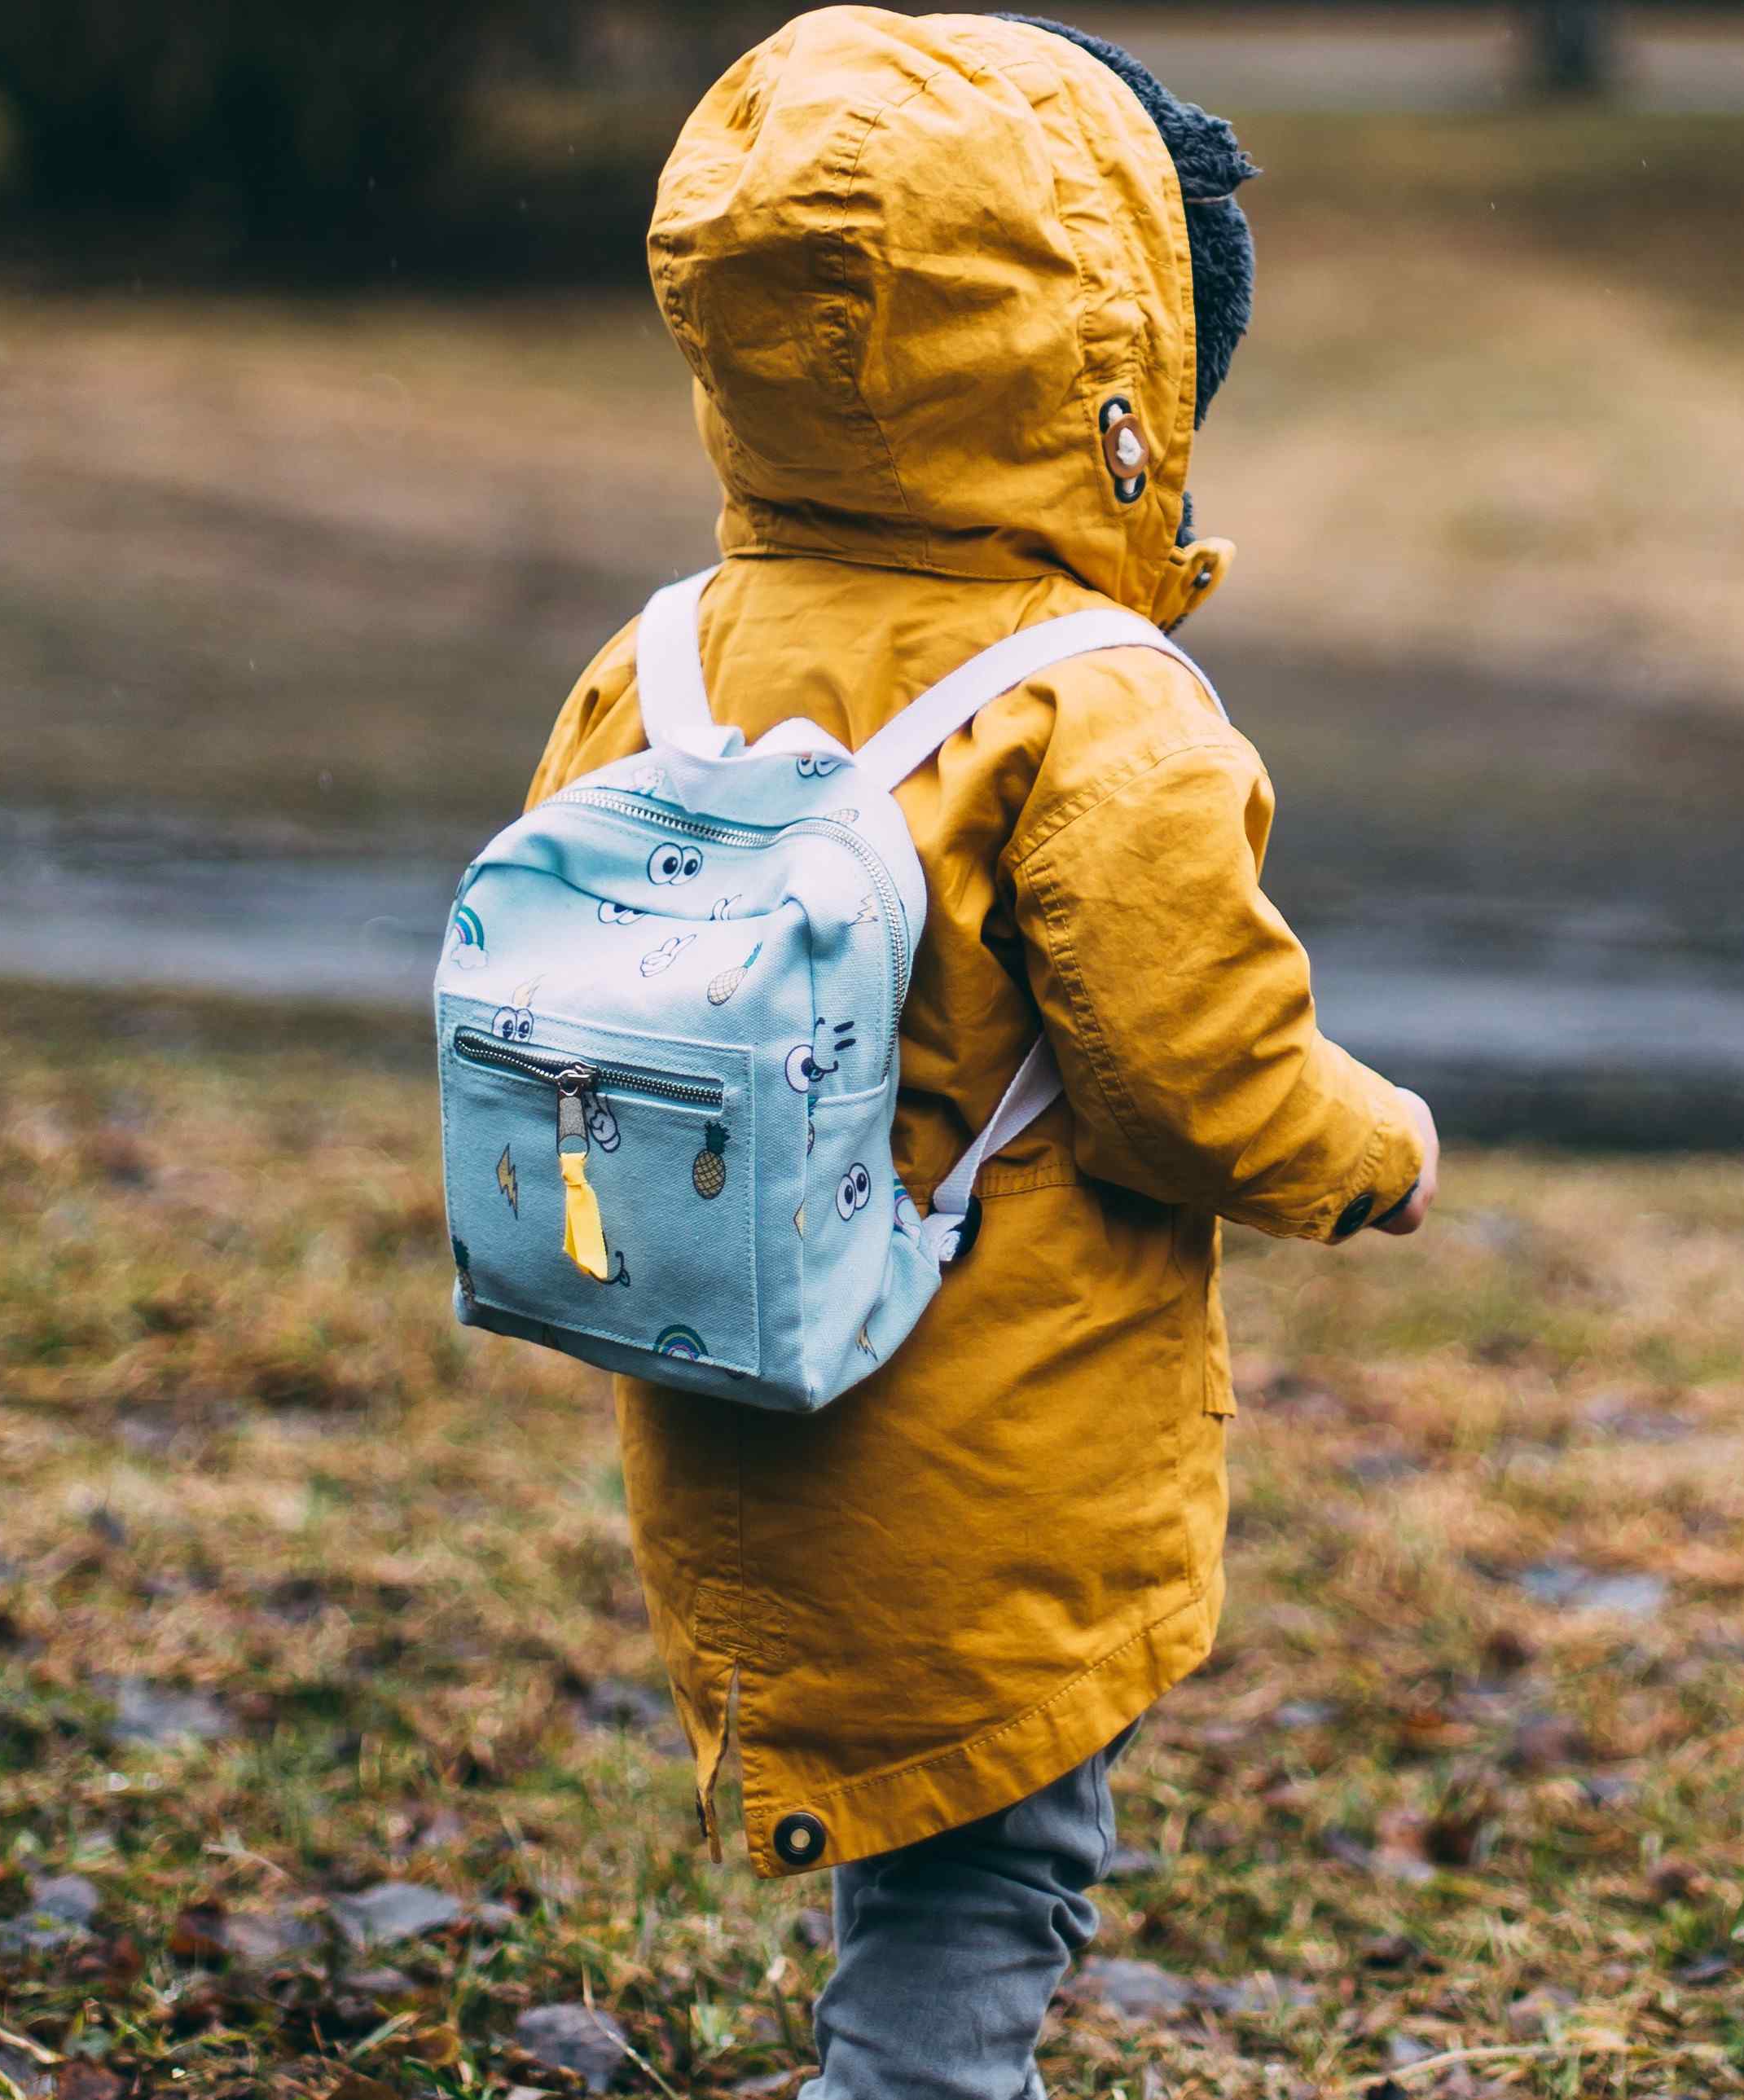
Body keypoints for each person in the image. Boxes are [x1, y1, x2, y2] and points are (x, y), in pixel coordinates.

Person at [521, 10, 1439, 2092]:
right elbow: (1197, 1070)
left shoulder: (662, 655)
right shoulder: (1092, 708)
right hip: (989, 1426)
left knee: (914, 1825)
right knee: (992, 1872)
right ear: (1113, 375)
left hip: (737, 1376)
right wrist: (1370, 1145)